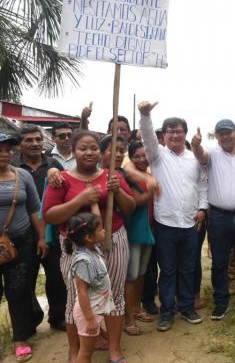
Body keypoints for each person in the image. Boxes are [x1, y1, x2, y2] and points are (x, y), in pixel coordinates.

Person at [43, 130, 135, 363]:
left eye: (94, 148)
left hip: (112, 239)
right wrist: (79, 200)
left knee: (114, 294)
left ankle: (114, 349)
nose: (89, 152)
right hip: (75, 249)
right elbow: (50, 216)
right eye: (83, 148)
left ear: (101, 151)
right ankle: (75, 352)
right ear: (73, 151)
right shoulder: (61, 179)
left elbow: (130, 207)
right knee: (76, 298)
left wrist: (118, 191)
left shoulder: (111, 175)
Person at [137, 101, 208, 332]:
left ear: (185, 134)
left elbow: (202, 185)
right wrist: (145, 115)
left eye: (179, 131)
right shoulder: (157, 156)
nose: (175, 135)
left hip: (190, 224)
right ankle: (167, 311)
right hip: (165, 223)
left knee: (188, 268)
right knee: (167, 271)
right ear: (164, 136)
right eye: (170, 131)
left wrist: (202, 208)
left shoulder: (194, 158)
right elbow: (147, 136)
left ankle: (186, 307)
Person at [192, 119, 235, 320]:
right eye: (221, 133)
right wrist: (195, 145)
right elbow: (200, 157)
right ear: (217, 136)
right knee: (219, 262)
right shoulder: (212, 153)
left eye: (228, 132)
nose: (225, 136)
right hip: (219, 216)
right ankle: (221, 302)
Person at [12, 125, 66, 332]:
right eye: (28, 140)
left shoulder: (54, 164)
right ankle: (30, 320)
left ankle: (58, 317)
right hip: (24, 234)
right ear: (19, 146)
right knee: (26, 280)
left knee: (56, 277)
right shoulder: (14, 168)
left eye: (37, 139)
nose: (35, 143)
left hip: (52, 231)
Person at [0, 133, 47, 363]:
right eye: (0, 149)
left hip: (21, 244)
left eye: (8, 149)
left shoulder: (23, 175)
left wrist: (41, 238)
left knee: (18, 291)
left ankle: (21, 338)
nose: (4, 153)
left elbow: (34, 208)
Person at [65, 213, 114, 363]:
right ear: (88, 237)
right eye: (100, 230)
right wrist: (90, 319)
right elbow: (82, 292)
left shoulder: (93, 250)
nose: (104, 231)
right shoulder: (83, 261)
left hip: (94, 309)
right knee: (86, 352)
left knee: (88, 351)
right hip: (88, 313)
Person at [121, 141, 156, 334]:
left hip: (148, 229)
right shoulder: (128, 176)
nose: (142, 159)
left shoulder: (149, 175)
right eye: (137, 156)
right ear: (131, 158)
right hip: (133, 230)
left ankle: (136, 307)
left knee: (141, 272)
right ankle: (128, 318)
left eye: (145, 155)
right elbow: (136, 201)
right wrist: (153, 190)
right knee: (131, 275)